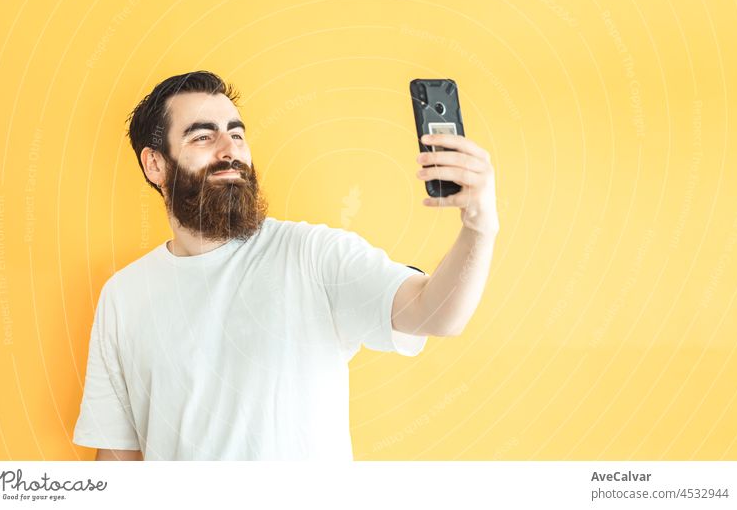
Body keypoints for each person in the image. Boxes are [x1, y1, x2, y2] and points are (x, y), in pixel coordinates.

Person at [72, 71, 499, 460]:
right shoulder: (123, 296)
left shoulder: (311, 254)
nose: (229, 150)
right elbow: (117, 460)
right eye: (203, 137)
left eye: (237, 135)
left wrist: (480, 225)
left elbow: (434, 312)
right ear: (155, 164)